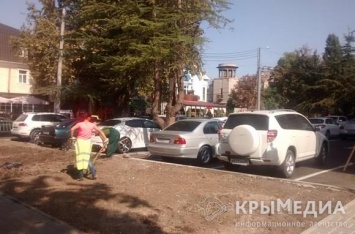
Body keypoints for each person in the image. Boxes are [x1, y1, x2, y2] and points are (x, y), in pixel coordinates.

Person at [70, 111, 108, 181]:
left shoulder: (79, 124)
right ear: (88, 118)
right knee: (87, 157)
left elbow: (72, 129)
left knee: (80, 158)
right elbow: (100, 131)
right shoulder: (92, 125)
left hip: (80, 142)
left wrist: (72, 137)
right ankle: (93, 174)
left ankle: (80, 177)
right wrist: (105, 139)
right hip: (87, 142)